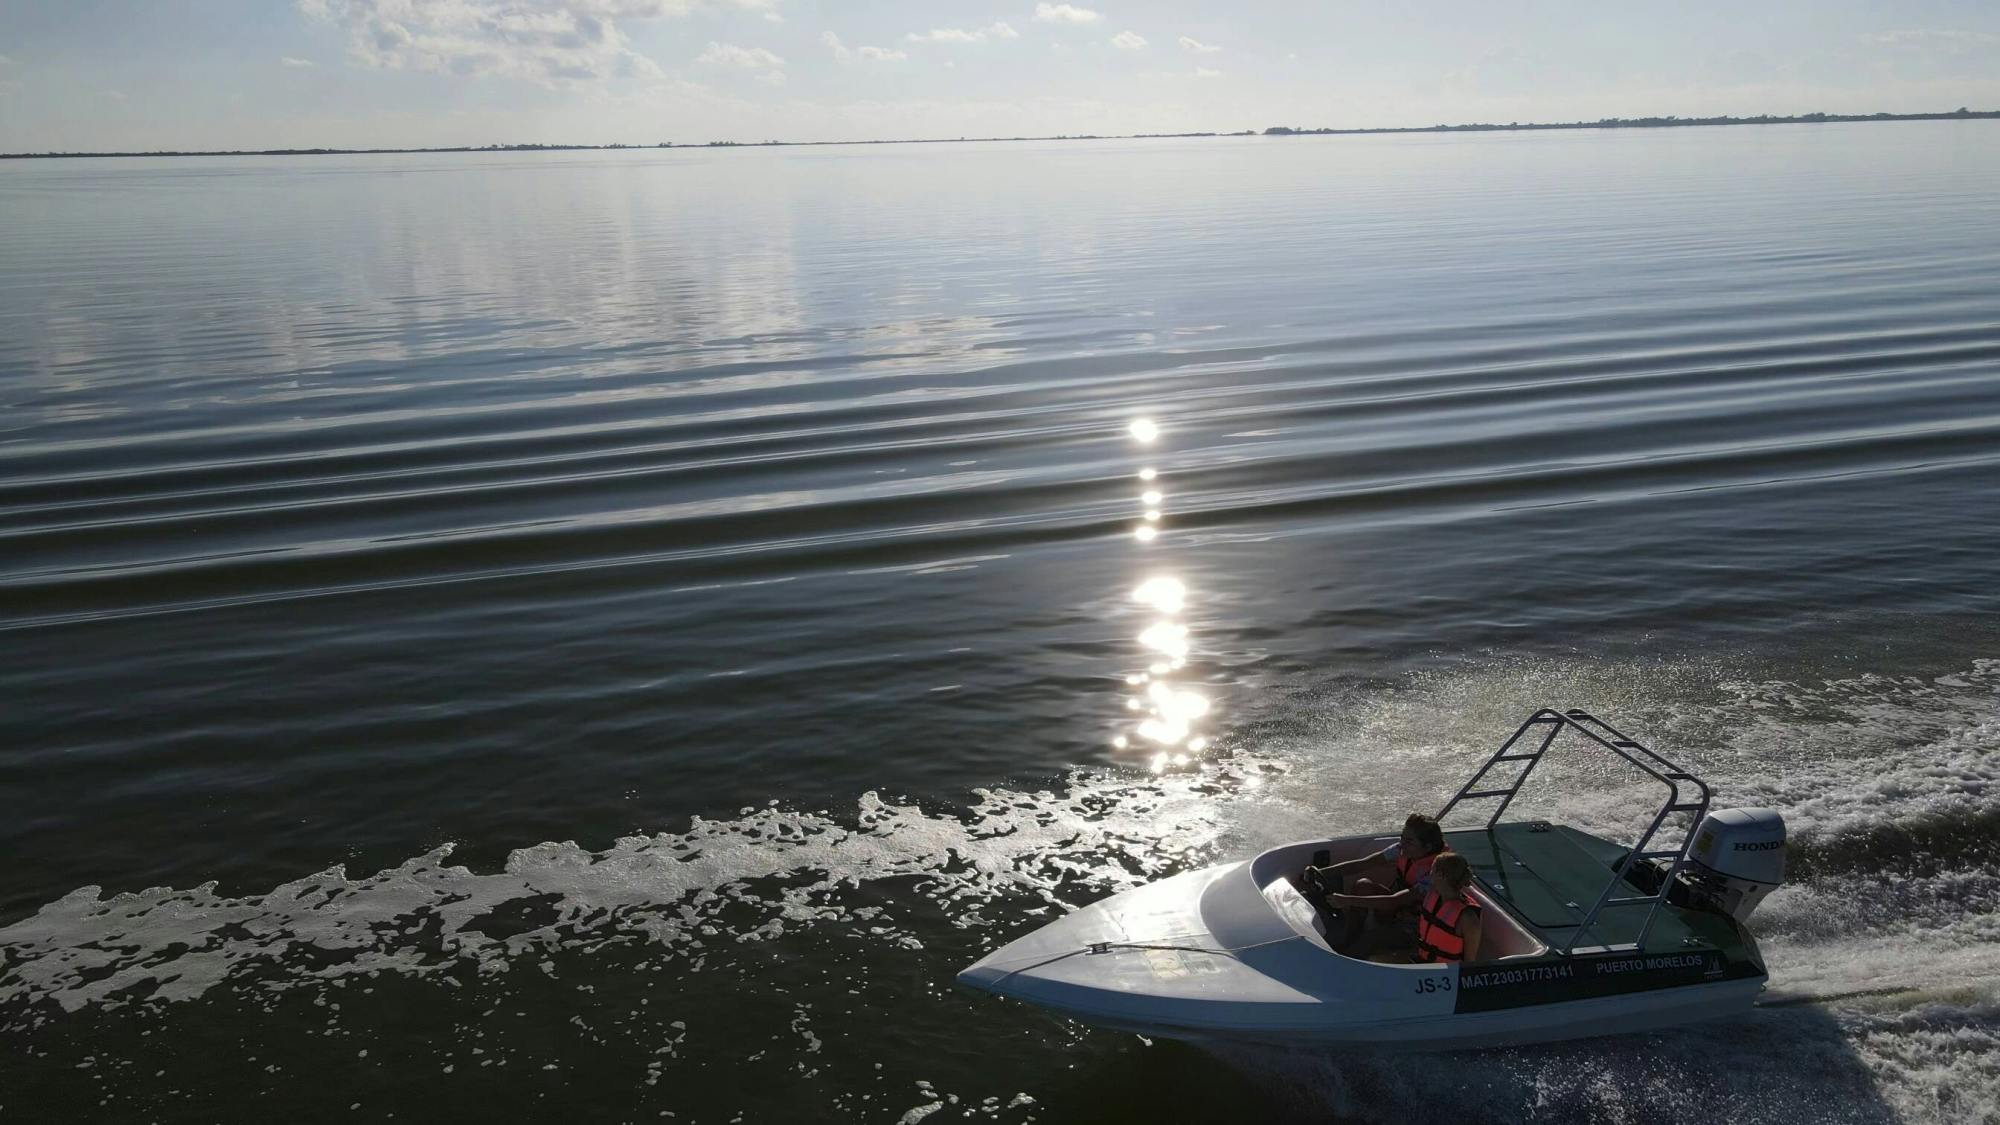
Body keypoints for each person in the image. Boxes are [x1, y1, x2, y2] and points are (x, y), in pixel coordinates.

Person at [1300, 813, 1445, 955]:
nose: (1402, 844)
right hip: (1397, 910)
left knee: (1372, 937)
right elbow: (1362, 864)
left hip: (1415, 926)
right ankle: (1348, 939)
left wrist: (1345, 900)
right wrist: (1321, 872)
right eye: (1402, 837)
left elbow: (1394, 901)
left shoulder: (1436, 873)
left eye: (1409, 841)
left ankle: (1345, 959)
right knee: (1363, 886)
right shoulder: (1401, 850)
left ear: (1427, 847)